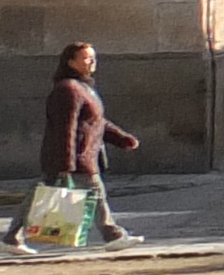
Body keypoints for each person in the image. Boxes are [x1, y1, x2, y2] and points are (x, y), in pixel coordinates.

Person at [24, 44, 141, 254]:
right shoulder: (68, 90)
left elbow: (96, 122)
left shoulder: (83, 88)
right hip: (74, 157)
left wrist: (122, 139)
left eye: (93, 57)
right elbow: (66, 128)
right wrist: (66, 163)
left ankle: (11, 237)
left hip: (82, 155)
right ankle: (112, 235)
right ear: (71, 62)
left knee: (37, 198)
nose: (92, 62)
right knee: (95, 194)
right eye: (86, 58)